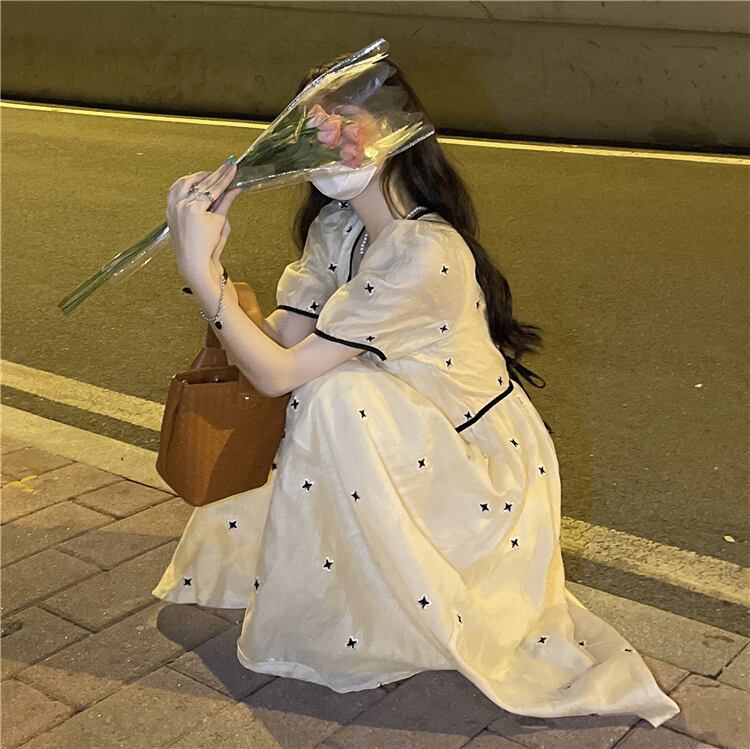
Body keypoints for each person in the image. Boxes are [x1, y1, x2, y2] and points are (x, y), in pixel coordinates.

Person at [153, 52, 680, 728]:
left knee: (334, 396)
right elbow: (278, 347)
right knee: (325, 390)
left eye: (344, 120)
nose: (326, 139)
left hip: (476, 469)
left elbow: (279, 373)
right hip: (412, 439)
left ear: (397, 127)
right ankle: (349, 587)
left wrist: (203, 273)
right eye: (308, 129)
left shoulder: (425, 251)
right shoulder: (339, 227)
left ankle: (385, 604)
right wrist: (212, 272)